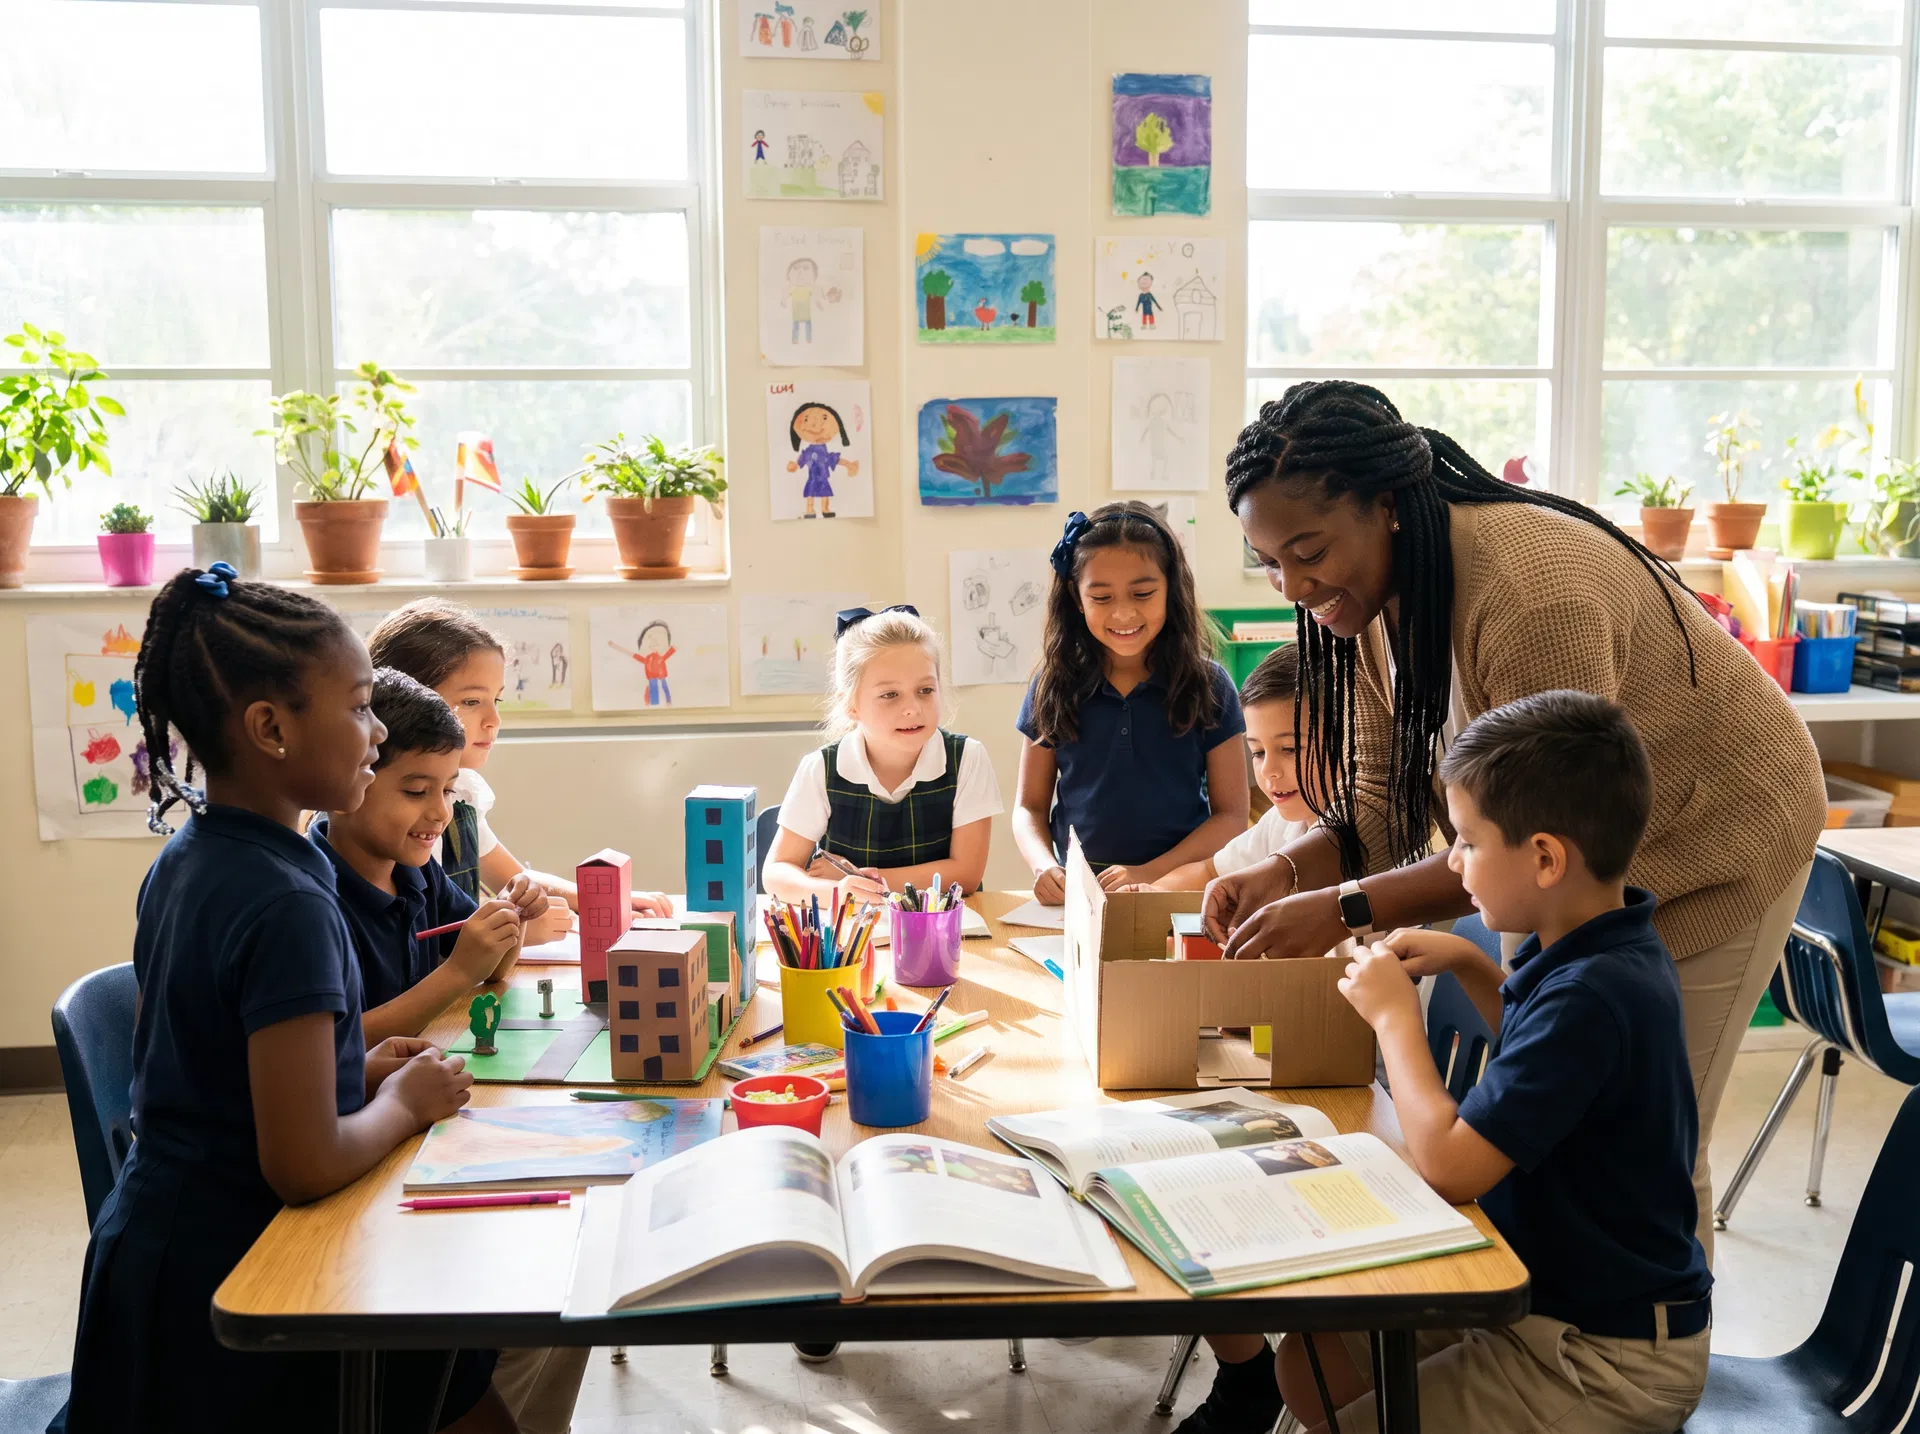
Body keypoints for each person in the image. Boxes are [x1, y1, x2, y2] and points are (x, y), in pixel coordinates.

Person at [1205, 381, 1823, 1261]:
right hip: (1554, 857)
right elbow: (1379, 801)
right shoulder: (1372, 599)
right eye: (1268, 561)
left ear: (1386, 507)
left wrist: (1346, 907)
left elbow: (1538, 835)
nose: (1295, 586)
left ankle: (1645, 1366)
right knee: (1552, 1110)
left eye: (1308, 551)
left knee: (1645, 1135)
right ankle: (1553, 1334)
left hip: (1713, 834)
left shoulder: (1533, 595)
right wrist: (1290, 868)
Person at [59, 565, 508, 1433]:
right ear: (269, 728)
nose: (377, 734)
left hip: (159, 1246)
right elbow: (300, 1166)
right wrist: (404, 1103)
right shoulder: (292, 900)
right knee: (463, 1384)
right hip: (239, 1276)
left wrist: (350, 1064)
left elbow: (196, 1056)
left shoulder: (198, 856)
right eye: (358, 708)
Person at [1260, 692, 1710, 1433]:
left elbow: (1450, 1165)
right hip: (1537, 1296)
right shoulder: (1596, 939)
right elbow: (1555, 1063)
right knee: (1315, 1359)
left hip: (1602, 1357)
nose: (1454, 864)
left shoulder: (1593, 991)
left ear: (1543, 858)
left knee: (1347, 1383)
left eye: (1466, 842)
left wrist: (1395, 1019)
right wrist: (1472, 964)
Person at [369, 598, 673, 921]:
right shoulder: (391, 814)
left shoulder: (463, 794)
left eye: (496, 700)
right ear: (407, 697)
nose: (493, 720)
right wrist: (520, 935)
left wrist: (594, 900)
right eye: (472, 701)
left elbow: (513, 880)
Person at [1014, 501, 1247, 900]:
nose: (1123, 613)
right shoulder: (1052, 685)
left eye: (1142, 593)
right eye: (1101, 598)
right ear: (1076, 596)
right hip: (1081, 897)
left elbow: (1232, 817)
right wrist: (1044, 865)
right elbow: (1029, 808)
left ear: (1171, 587)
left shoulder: (1210, 684)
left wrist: (1150, 874)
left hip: (1178, 891)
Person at [310, 668, 548, 1045]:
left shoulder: (415, 871)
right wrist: (457, 972)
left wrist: (507, 917)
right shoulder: (311, 901)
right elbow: (339, 1046)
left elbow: (493, 970)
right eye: (417, 791)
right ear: (346, 784)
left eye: (448, 791)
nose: (441, 813)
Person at [764, 604, 1002, 903]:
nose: (912, 708)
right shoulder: (822, 768)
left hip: (941, 935)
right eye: (890, 695)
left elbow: (966, 874)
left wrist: (861, 880)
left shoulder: (967, 757)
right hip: (857, 936)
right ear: (851, 705)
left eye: (926, 690)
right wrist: (839, 890)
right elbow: (777, 872)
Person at [1138, 643, 1318, 891]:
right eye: (1258, 752)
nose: (1268, 770)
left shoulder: (1367, 834)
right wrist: (1152, 892)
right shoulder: (1278, 823)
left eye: (1290, 749)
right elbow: (1209, 870)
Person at [786, 400, 858, 519]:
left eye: (824, 418)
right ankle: (810, 510)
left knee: (825, 493)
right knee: (810, 493)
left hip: (823, 478)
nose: (815, 425)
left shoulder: (824, 452)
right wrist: (794, 465)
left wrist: (848, 464)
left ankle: (825, 509)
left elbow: (834, 459)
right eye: (806, 419)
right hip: (812, 478)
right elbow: (801, 460)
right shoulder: (808, 451)